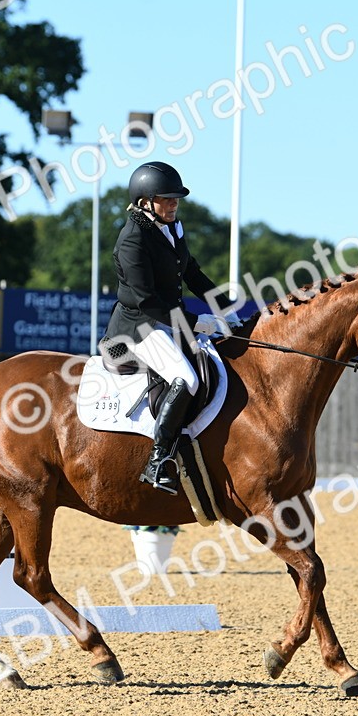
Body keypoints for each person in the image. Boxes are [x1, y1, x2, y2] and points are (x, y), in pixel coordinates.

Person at [100, 161, 240, 495]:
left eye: (176, 197)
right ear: (144, 202)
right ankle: (158, 460)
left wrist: (227, 308)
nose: (174, 203)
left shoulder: (172, 228)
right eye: (166, 198)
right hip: (137, 328)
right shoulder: (132, 240)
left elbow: (192, 273)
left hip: (166, 321)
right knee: (187, 379)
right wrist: (195, 321)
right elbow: (147, 301)